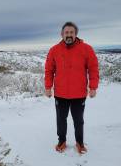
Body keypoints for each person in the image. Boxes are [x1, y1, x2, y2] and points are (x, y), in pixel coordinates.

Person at [44, 21, 99, 154]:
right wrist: (48, 86)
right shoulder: (54, 50)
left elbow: (93, 69)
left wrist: (93, 87)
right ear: (62, 34)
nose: (69, 35)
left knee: (78, 121)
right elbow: (49, 70)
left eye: (71, 32)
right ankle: (62, 141)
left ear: (76, 34)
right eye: (66, 32)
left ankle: (79, 143)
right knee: (61, 120)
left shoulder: (86, 49)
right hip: (60, 93)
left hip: (79, 93)